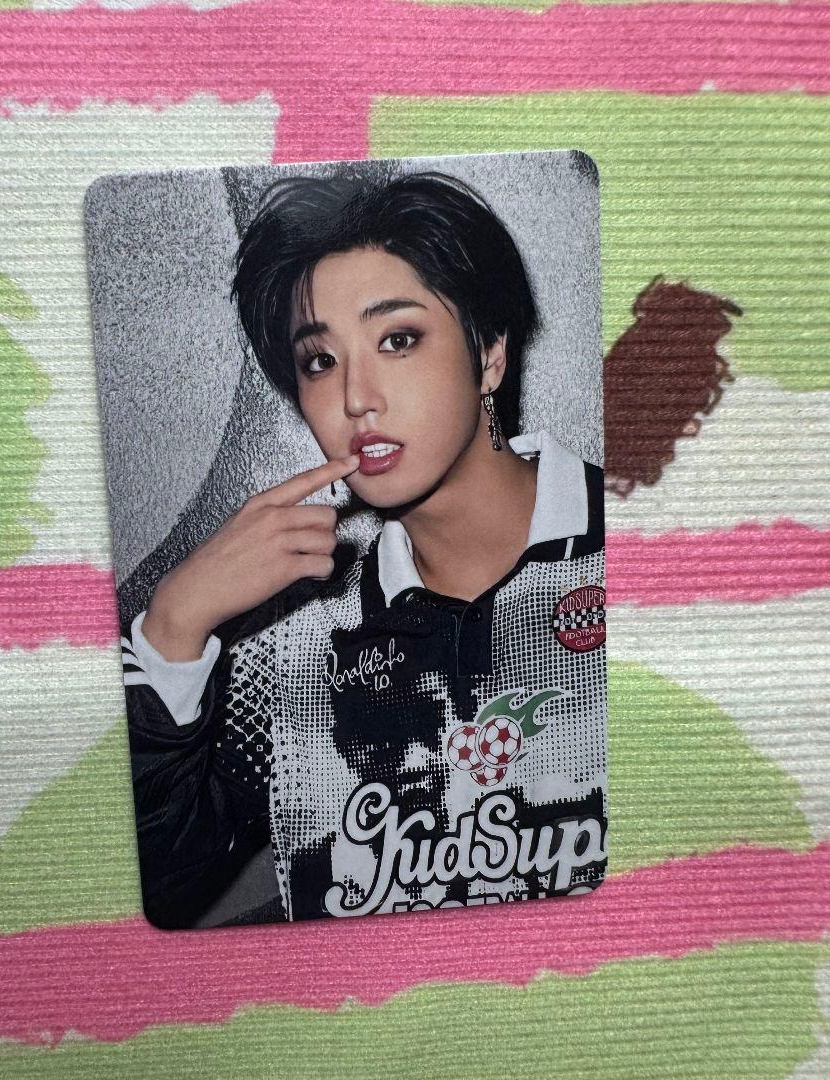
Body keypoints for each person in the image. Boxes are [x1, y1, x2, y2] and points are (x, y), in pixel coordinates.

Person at [120, 171, 607, 928]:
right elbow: (150, 888)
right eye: (320, 360)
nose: (355, 397)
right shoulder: (289, 647)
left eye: (397, 340)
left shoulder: (639, 550)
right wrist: (175, 626)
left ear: (489, 353)